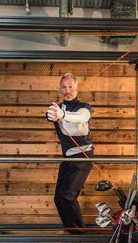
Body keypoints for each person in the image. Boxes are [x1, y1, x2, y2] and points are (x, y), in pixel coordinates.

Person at [47, 72, 93, 234]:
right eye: (63, 87)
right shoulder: (58, 107)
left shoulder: (84, 107)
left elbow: (82, 117)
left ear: (77, 87)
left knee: (67, 195)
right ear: (60, 89)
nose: (67, 90)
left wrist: (63, 115)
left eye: (71, 86)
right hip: (68, 158)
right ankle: (73, 233)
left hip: (83, 157)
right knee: (59, 198)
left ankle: (80, 235)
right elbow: (52, 115)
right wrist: (53, 114)